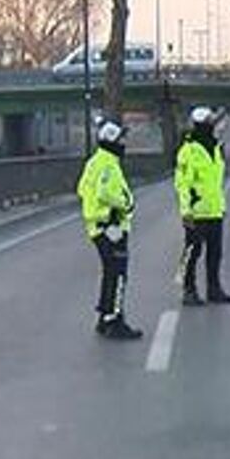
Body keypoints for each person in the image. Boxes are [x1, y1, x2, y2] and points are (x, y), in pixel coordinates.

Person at [78, 119, 142, 339]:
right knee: (118, 274)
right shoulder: (108, 164)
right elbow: (105, 192)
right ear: (112, 141)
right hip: (110, 226)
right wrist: (125, 203)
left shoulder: (95, 161)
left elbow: (82, 188)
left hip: (98, 227)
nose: (124, 143)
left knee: (110, 273)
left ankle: (105, 318)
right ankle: (114, 321)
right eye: (121, 139)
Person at [176, 105, 230, 306]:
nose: (212, 125)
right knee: (192, 253)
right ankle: (188, 289)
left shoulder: (216, 148)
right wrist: (185, 211)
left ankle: (214, 288)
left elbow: (216, 182)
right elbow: (182, 183)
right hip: (196, 211)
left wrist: (221, 205)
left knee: (215, 252)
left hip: (214, 209)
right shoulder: (188, 151)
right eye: (208, 123)